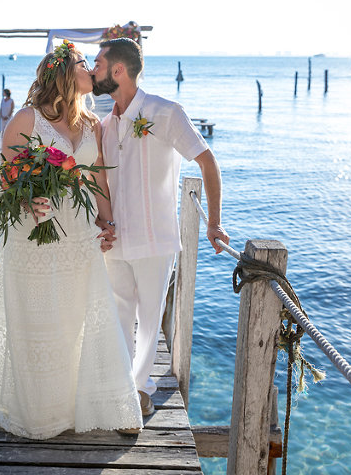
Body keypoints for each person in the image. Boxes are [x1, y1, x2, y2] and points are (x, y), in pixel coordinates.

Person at [0, 41, 143, 439]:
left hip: (79, 233)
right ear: (66, 71)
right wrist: (30, 202)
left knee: (81, 314)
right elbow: (6, 179)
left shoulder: (91, 123)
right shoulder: (26, 119)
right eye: (86, 63)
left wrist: (107, 219)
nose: (93, 70)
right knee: (39, 317)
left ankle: (94, 402)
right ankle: (42, 408)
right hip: (34, 235)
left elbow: (97, 177)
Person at [89, 38, 230, 416]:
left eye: (98, 64)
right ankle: (122, 389)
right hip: (115, 237)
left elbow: (207, 161)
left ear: (118, 70)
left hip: (155, 237)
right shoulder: (104, 123)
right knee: (120, 312)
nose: (93, 70)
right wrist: (102, 222)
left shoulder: (165, 112)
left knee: (150, 318)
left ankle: (138, 390)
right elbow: (102, 182)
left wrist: (213, 223)